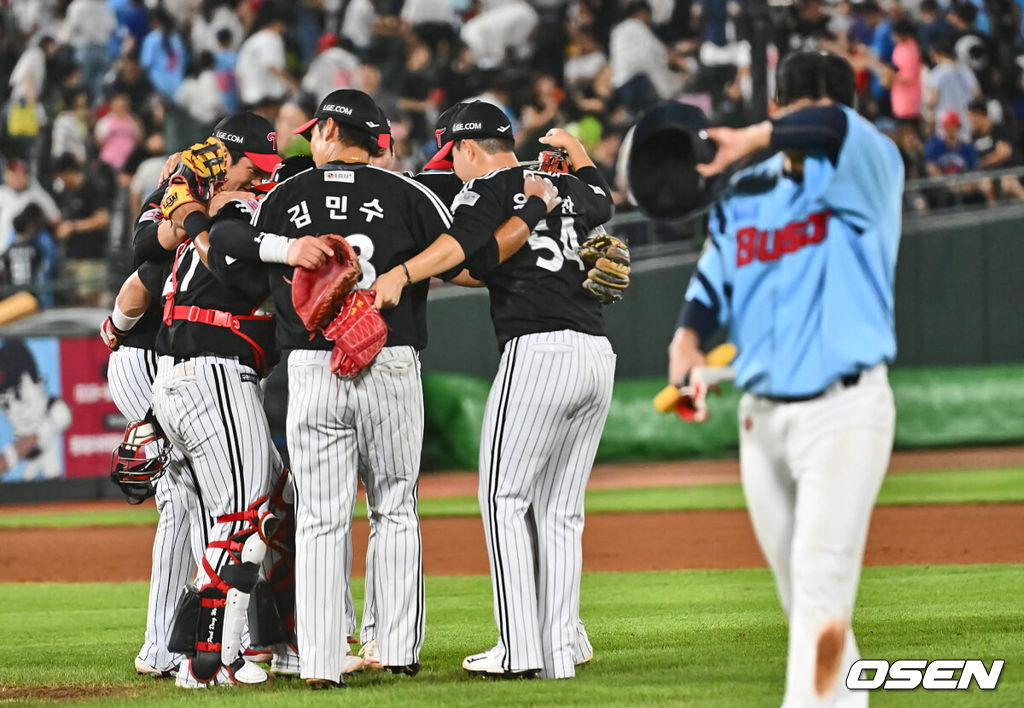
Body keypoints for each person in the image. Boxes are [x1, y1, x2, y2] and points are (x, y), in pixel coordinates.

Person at [209, 89, 557, 688]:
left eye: (315, 130)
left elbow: (230, 266)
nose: (310, 139)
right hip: (390, 360)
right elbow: (464, 259)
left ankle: (319, 659)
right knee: (394, 503)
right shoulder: (409, 193)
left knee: (320, 515)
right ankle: (395, 646)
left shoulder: (283, 196)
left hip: (313, 367)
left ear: (329, 133)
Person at [668, 50, 902, 706]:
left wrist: (755, 135)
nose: (800, 125)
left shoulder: (869, 162)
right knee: (801, 595)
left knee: (820, 577)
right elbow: (714, 279)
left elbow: (826, 126)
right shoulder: (746, 189)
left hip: (845, 412)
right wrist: (687, 338)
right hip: (761, 417)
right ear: (773, 111)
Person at [373, 101, 619, 680]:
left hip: (536, 349)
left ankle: (517, 648)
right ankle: (560, 649)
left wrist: (405, 271)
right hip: (595, 351)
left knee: (503, 500)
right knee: (561, 511)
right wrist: (580, 157)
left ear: (466, 148)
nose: (453, 167)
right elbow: (603, 204)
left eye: (452, 155)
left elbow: (471, 255)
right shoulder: (558, 179)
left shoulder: (483, 188)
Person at [104, 119, 292, 688]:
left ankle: (252, 641)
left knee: (269, 497)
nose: (261, 179)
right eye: (253, 168)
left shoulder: (226, 203)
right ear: (226, 158)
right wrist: (194, 213)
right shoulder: (194, 196)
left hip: (189, 367)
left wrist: (198, 214)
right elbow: (142, 259)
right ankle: (195, 655)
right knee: (208, 507)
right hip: (165, 356)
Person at [53, 153, 111, 305]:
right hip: (72, 255)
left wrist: (72, 227)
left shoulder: (91, 188)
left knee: (90, 298)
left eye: (61, 176)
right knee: (76, 300)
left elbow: (103, 219)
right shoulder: (65, 193)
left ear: (68, 173)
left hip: (90, 256)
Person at [968, 99, 1024, 203]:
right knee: (986, 184)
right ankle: (995, 216)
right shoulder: (974, 136)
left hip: (1013, 172)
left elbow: (1003, 154)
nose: (970, 121)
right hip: (991, 176)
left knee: (1008, 183)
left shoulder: (999, 129)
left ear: (979, 115)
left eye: (971, 117)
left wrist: (982, 163)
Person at [0, 159, 60, 254]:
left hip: (31, 256)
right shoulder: (2, 193)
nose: (18, 178)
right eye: (14, 174)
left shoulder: (37, 194)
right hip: (3, 253)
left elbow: (56, 218)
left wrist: (39, 223)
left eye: (22, 174)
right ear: (7, 176)